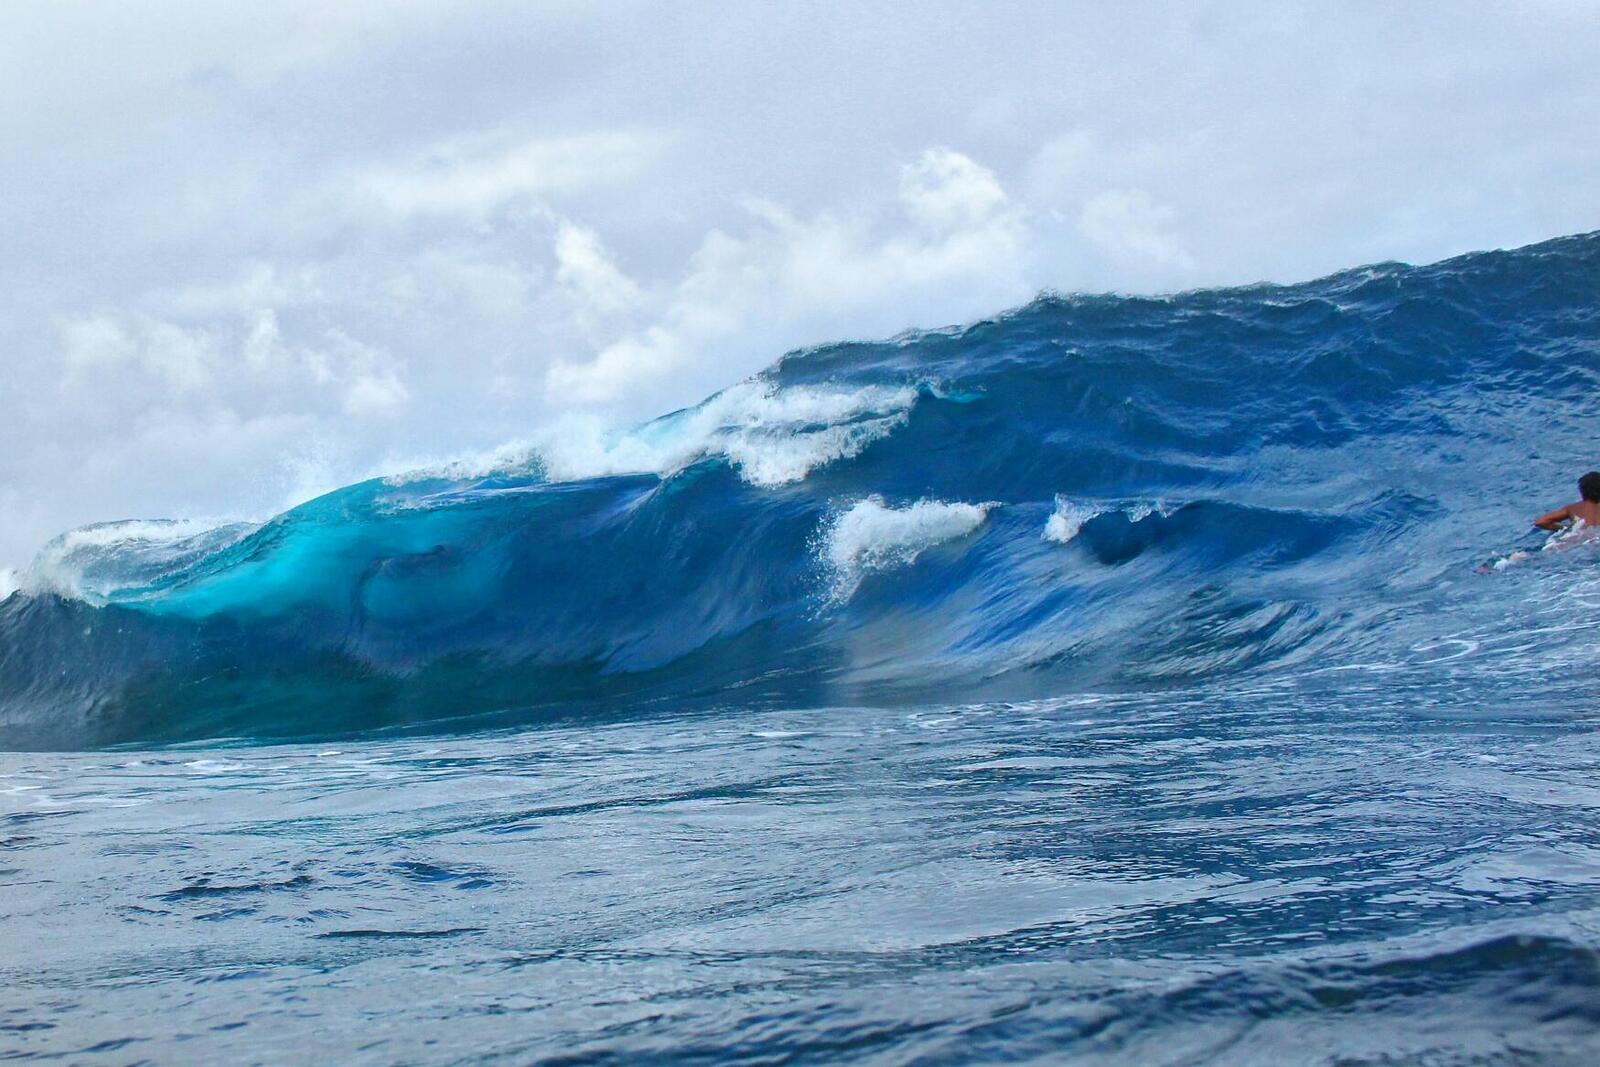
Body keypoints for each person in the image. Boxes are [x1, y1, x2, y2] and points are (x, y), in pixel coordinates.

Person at [1532, 471, 1600, 531]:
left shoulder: (1573, 508)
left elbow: (1540, 522)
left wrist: (1568, 529)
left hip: (1576, 538)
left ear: (1582, 491)